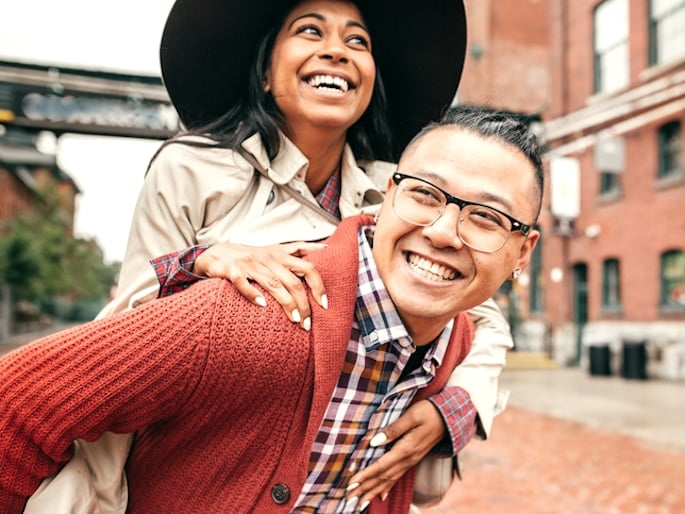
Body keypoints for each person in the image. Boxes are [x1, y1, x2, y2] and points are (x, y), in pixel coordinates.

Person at [0, 105, 544, 513]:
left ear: (524, 251)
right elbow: (15, 406)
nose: (444, 232)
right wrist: (199, 261)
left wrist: (455, 411)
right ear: (390, 194)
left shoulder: (456, 341)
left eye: (488, 218)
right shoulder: (249, 311)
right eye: (426, 194)